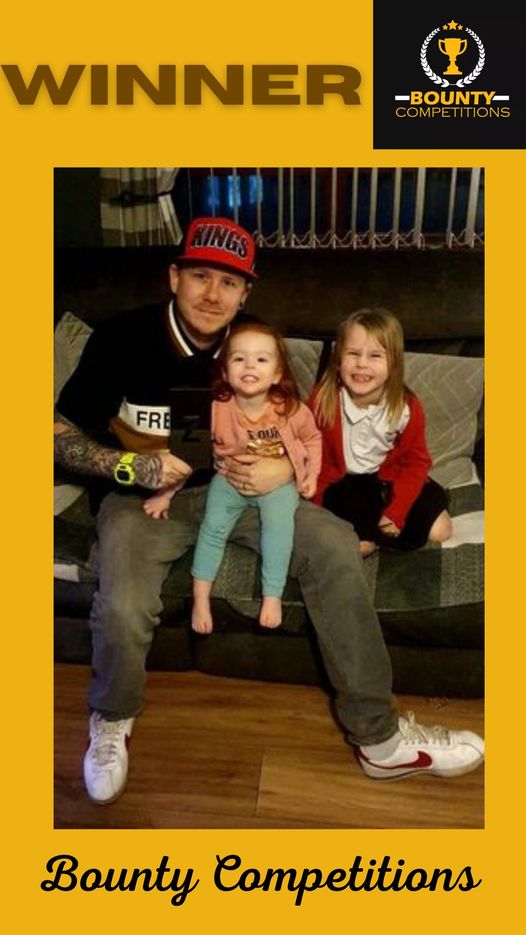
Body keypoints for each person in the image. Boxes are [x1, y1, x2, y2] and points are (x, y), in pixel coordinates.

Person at [54, 216, 483, 806]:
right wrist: (132, 468)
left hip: (249, 490)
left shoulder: (256, 345)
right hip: (142, 502)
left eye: (229, 282)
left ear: (246, 293)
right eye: (200, 276)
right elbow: (56, 433)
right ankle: (111, 719)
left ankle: (380, 740)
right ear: (175, 277)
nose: (213, 294)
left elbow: (300, 425)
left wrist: (285, 466)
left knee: (333, 543)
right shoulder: (121, 338)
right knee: (124, 601)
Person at [310, 308, 452, 557]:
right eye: (353, 353)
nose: (362, 364)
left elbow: (416, 462)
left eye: (375, 355)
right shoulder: (322, 399)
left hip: (387, 480)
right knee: (356, 547)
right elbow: (304, 450)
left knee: (441, 532)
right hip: (344, 485)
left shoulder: (406, 406)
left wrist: (397, 511)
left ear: (393, 362)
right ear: (338, 358)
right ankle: (369, 536)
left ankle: (389, 524)